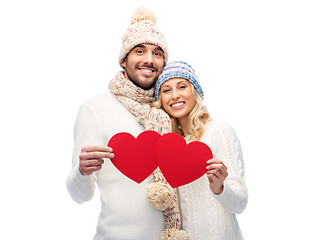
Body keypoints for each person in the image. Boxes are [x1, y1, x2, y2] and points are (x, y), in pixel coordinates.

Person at [66, 7, 187, 240]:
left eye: (157, 53)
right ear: (124, 59)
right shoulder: (95, 109)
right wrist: (81, 172)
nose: (149, 60)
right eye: (139, 51)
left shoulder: (170, 111)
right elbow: (79, 196)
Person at [153, 61, 248, 240]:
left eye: (182, 86)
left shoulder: (218, 130)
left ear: (194, 91)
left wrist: (220, 188)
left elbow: (241, 204)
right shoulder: (168, 147)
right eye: (166, 90)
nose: (174, 95)